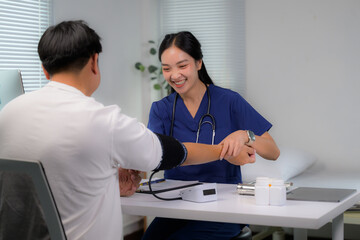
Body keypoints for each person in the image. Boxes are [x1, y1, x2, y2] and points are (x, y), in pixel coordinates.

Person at [0, 21, 256, 240]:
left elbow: (57, 178)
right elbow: (174, 153)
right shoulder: (104, 120)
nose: (174, 75)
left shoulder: (8, 113)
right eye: (167, 68)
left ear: (45, 70)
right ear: (94, 62)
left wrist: (110, 180)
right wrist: (223, 149)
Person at [143, 31, 280, 240]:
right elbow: (154, 158)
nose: (175, 75)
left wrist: (245, 135)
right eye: (166, 68)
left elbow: (273, 152)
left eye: (182, 66)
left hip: (224, 208)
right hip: (177, 205)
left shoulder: (229, 101)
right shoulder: (161, 110)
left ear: (198, 63)